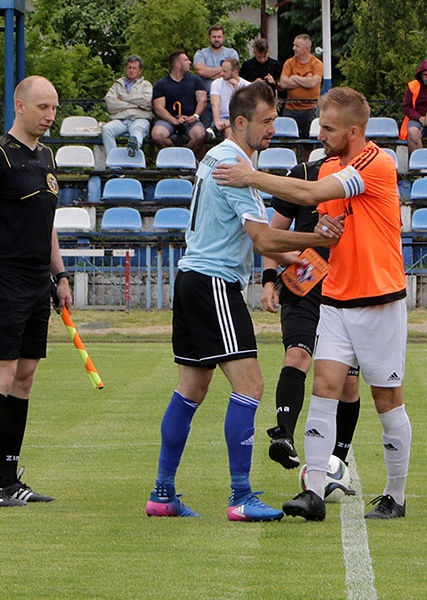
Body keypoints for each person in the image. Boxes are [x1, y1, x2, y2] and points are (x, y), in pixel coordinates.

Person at [214, 87, 413, 522]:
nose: (319, 134)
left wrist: (251, 177)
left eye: (328, 128)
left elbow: (310, 193)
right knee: (323, 386)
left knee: (386, 398)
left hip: (379, 299)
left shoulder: (374, 162)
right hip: (337, 298)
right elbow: (329, 217)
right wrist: (325, 229)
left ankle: (395, 497)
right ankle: (315, 490)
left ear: (354, 132)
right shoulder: (335, 165)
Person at [144, 81, 340, 522]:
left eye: (275, 120)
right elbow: (262, 236)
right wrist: (319, 240)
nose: (273, 129)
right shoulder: (233, 164)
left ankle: (162, 493)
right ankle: (240, 497)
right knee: (250, 385)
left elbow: (256, 240)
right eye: (266, 121)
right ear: (239, 122)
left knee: (191, 389)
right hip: (214, 283)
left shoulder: (218, 158)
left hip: (192, 279)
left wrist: (301, 260)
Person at [0, 75, 70, 508]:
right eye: (43, 107)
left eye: (55, 108)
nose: (50, 116)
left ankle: (8, 479)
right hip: (0, 281)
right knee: (0, 376)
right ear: (20, 106)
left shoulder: (46, 156)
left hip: (36, 282)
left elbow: (48, 224)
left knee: (23, 378)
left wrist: (59, 276)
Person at [261, 157, 362, 474]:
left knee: (348, 384)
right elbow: (272, 235)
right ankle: (284, 435)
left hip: (349, 288)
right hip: (304, 282)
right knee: (297, 355)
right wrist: (267, 280)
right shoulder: (303, 174)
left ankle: (338, 463)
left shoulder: (364, 176)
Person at [150, 50, 208, 158]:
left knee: (200, 134)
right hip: (169, 120)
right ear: (177, 64)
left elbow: (202, 100)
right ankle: (175, 158)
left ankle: (185, 159)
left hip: (191, 119)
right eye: (186, 60)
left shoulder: (195, 80)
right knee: (157, 135)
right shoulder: (161, 84)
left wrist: (195, 116)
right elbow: (158, 107)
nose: (189, 62)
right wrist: (174, 120)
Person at [102, 55, 153, 157]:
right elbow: (110, 103)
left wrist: (124, 98)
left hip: (140, 118)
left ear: (140, 71)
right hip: (121, 119)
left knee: (137, 130)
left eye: (134, 68)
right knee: (106, 129)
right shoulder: (117, 85)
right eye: (129, 67)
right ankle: (114, 163)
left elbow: (146, 102)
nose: (131, 70)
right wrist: (135, 104)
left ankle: (133, 146)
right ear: (126, 69)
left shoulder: (146, 85)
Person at [193, 25, 239, 131]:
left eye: (219, 36)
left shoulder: (231, 53)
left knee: (227, 132)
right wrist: (224, 71)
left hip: (226, 103)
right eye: (214, 37)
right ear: (209, 37)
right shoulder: (201, 53)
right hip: (206, 101)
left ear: (224, 37)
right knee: (205, 133)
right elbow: (200, 71)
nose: (216, 39)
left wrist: (208, 71)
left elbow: (233, 74)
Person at [278, 34, 323, 139]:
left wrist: (293, 77)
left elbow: (313, 83)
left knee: (309, 140)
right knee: (289, 140)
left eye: (297, 46)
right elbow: (283, 83)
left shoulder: (317, 64)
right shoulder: (289, 63)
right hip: (290, 109)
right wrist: (306, 80)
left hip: (310, 109)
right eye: (294, 45)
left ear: (306, 49)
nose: (294, 48)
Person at [210, 58, 249, 139]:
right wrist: (217, 121)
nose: (221, 73)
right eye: (222, 70)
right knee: (230, 132)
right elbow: (215, 104)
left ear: (235, 72)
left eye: (225, 71)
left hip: (240, 117)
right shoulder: (216, 83)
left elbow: (245, 108)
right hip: (222, 117)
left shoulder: (247, 86)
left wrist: (237, 90)